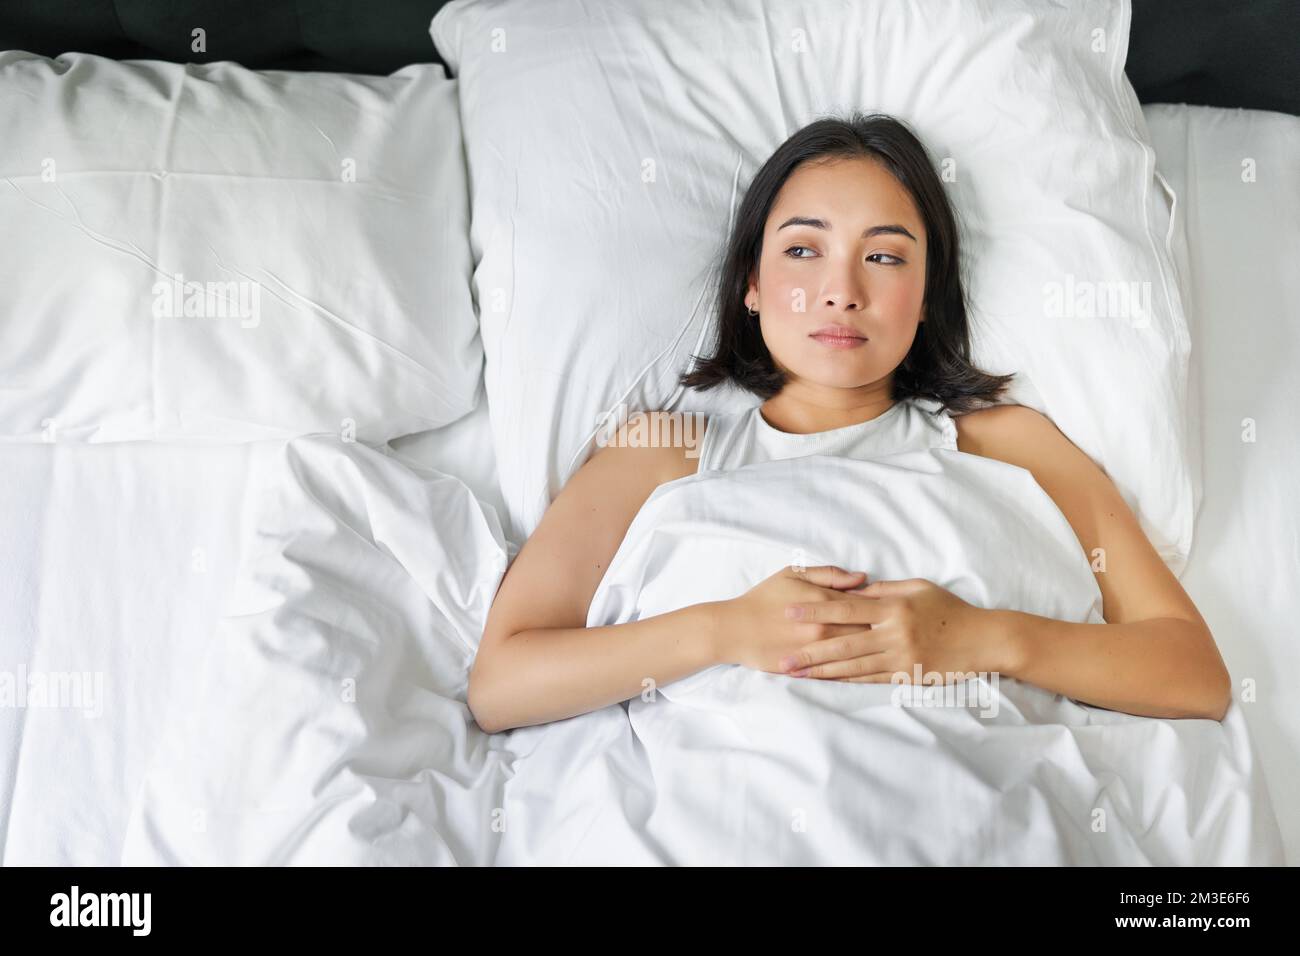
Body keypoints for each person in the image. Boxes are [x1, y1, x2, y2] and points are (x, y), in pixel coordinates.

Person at [469, 113, 1230, 734]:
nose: (840, 291)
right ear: (753, 286)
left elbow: (1192, 672)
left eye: (887, 258)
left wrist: (979, 637)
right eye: (803, 249)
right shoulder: (660, 453)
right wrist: (723, 630)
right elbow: (501, 684)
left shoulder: (1010, 444)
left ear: (929, 295)